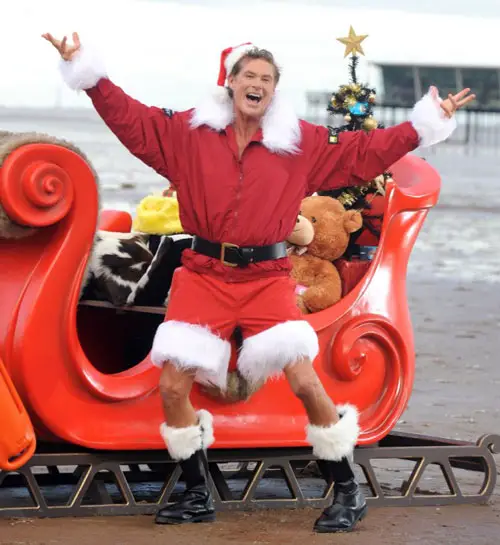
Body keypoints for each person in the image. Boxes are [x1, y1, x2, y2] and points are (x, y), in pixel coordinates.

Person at [42, 32, 474, 532]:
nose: (258, 85)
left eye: (267, 79)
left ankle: (348, 490)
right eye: (249, 76)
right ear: (229, 83)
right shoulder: (188, 133)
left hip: (268, 278)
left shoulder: (301, 143)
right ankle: (196, 491)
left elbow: (366, 150)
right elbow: (131, 118)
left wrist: (425, 125)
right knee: (171, 386)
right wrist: (89, 76)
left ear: (275, 90)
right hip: (204, 275)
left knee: (304, 380)